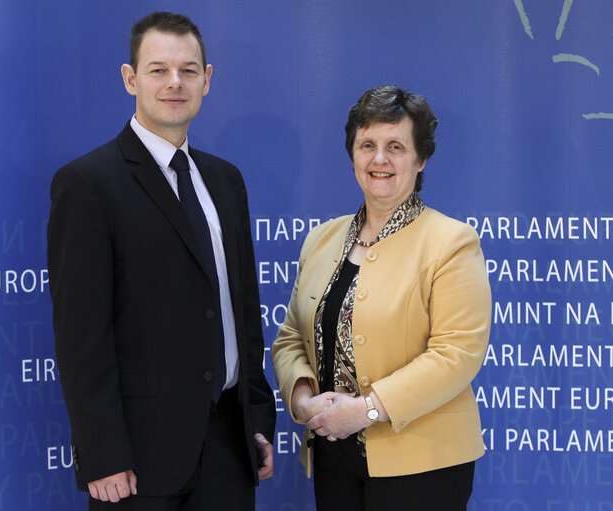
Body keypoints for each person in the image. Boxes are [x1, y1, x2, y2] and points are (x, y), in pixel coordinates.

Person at [47, 12, 275, 510]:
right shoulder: (88, 184)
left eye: (189, 70)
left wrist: (256, 418)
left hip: (228, 450)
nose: (175, 82)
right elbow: (80, 336)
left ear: (207, 80)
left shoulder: (225, 180)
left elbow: (243, 311)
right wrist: (101, 451)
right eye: (158, 69)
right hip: (136, 458)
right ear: (130, 79)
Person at [271, 84, 491, 510]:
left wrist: (365, 411)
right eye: (367, 144)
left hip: (423, 461)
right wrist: (302, 401)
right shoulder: (321, 240)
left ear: (421, 158)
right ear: (352, 153)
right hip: (332, 454)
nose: (379, 159)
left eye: (396, 146)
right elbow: (290, 339)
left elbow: (457, 352)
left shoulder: (451, 242)